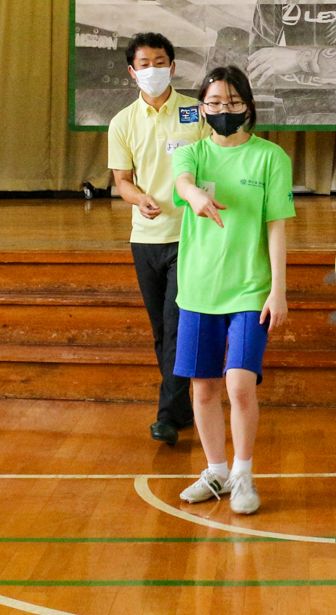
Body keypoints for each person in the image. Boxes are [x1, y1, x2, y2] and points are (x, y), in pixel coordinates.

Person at [172, 66, 295, 514]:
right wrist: (196, 196)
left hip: (249, 289)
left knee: (240, 384)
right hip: (199, 289)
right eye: (215, 103)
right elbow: (182, 182)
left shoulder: (271, 158)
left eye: (233, 102)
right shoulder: (193, 155)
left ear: (248, 105)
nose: (224, 110)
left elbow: (276, 227)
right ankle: (216, 470)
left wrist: (278, 290)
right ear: (202, 108)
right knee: (203, 389)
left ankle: (243, 474)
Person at [108, 32, 209, 446]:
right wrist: (139, 199)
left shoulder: (196, 112)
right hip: (145, 238)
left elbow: (211, 167)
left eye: (160, 61)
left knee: (176, 323)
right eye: (145, 63)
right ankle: (181, 407)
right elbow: (121, 181)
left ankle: (166, 415)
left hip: (189, 237)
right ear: (133, 72)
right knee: (160, 330)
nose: (153, 70)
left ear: (173, 65)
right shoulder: (122, 122)